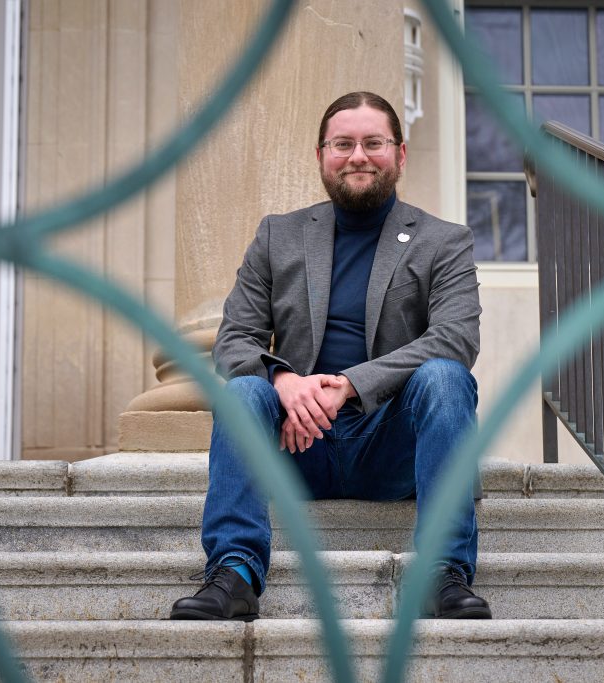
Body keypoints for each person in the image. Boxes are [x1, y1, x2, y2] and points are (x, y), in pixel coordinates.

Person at [170, 91, 489, 621]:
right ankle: (235, 574)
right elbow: (234, 341)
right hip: (300, 446)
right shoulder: (278, 235)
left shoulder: (443, 241)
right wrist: (284, 382)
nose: (357, 155)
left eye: (373, 143)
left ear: (400, 154)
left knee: (445, 377)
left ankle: (443, 574)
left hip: (390, 445)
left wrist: (348, 383)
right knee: (245, 387)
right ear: (321, 155)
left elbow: (456, 337)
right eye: (343, 144)